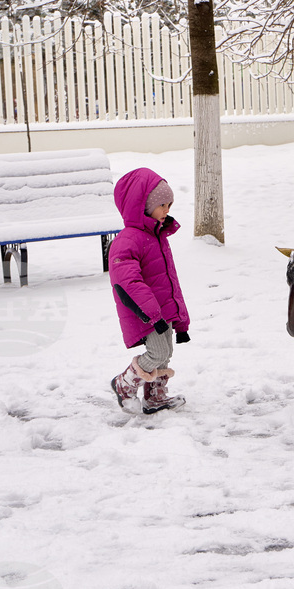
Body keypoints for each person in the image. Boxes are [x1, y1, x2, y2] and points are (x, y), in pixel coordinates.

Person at [108, 168, 191, 414]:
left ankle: (156, 397)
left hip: (160, 310)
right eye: (162, 204)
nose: (167, 209)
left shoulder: (156, 236)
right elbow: (128, 281)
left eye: (169, 203)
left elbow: (169, 280)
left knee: (166, 353)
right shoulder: (128, 240)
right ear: (142, 206)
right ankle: (124, 384)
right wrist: (152, 314)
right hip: (144, 312)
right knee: (158, 352)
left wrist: (180, 319)